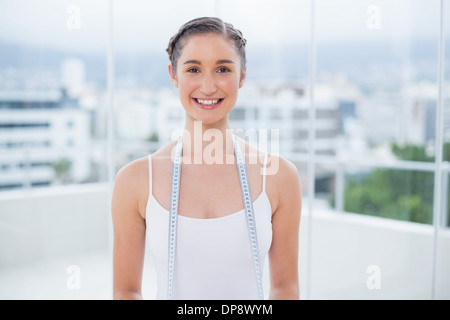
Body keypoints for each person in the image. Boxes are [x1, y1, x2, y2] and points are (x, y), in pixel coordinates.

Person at [111, 17, 301, 300]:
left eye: (223, 69)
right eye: (193, 69)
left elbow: (285, 287)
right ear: (173, 75)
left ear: (243, 76)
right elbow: (126, 291)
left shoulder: (277, 176)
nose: (209, 86)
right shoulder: (136, 180)